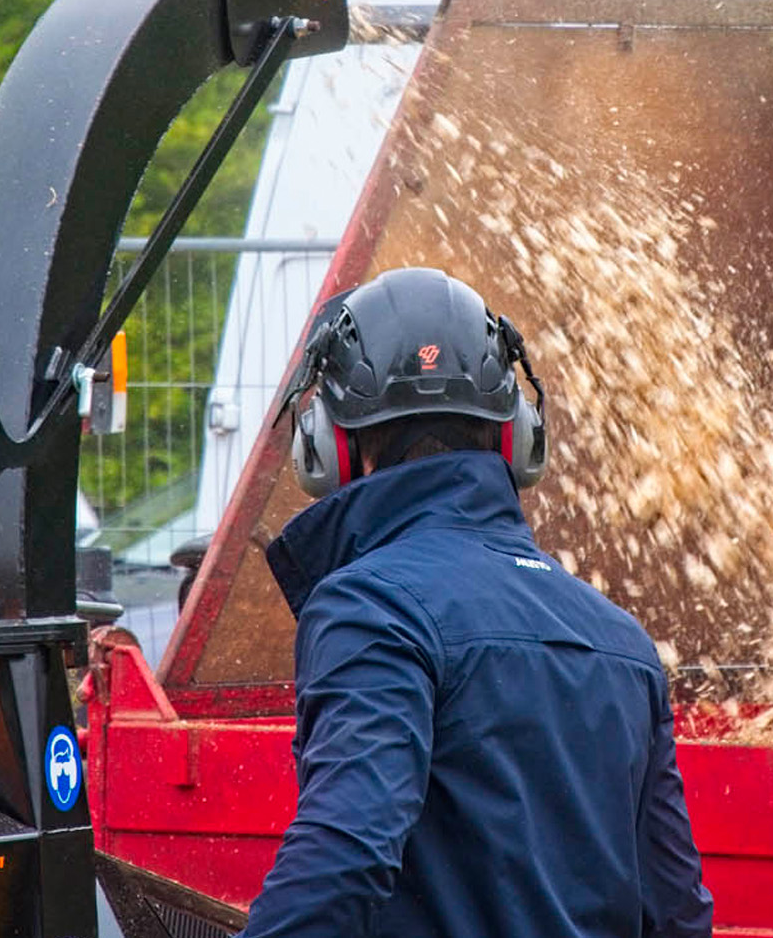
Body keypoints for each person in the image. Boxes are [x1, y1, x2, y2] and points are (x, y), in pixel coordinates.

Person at [240, 266, 714, 938]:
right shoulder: (623, 641)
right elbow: (677, 912)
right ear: (515, 437)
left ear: (330, 446)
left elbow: (345, 857)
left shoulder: (370, 607)